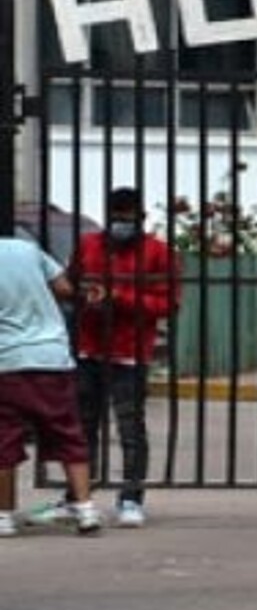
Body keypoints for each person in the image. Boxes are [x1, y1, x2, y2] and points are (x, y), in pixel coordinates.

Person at [62, 186, 177, 529]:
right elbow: (70, 283)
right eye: (115, 218)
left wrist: (120, 297)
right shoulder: (89, 245)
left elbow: (167, 303)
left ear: (140, 218)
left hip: (130, 351)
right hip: (89, 347)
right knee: (83, 425)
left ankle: (130, 497)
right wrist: (87, 294)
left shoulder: (158, 253)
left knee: (130, 428)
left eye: (126, 219)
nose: (120, 225)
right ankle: (79, 497)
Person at [0, 236, 100, 538]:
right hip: (51, 357)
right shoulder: (27, 249)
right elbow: (65, 289)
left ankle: (3, 517)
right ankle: (85, 510)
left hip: (8, 361)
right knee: (68, 433)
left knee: (4, 442)